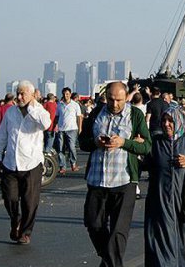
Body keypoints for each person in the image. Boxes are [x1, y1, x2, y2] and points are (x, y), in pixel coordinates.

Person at [79, 82, 152, 267]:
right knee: (93, 224)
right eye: (111, 99)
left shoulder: (135, 115)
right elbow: (83, 142)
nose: (114, 103)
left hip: (124, 180)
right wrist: (96, 142)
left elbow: (146, 145)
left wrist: (124, 143)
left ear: (126, 97)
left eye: (119, 100)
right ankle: (110, 261)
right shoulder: (97, 113)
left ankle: (111, 263)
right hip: (97, 179)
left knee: (118, 231)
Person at [144, 107, 185, 266]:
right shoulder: (156, 143)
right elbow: (144, 164)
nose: (166, 124)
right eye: (164, 120)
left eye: (171, 121)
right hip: (160, 203)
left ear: (180, 122)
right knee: (160, 246)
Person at [0, 80, 51, 244]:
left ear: (32, 95)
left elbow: (46, 124)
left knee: (29, 202)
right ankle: (15, 220)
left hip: (32, 163)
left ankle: (25, 232)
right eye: (17, 93)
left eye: (23, 93)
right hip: (10, 163)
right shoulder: (11, 112)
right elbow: (1, 136)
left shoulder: (40, 112)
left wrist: (31, 107)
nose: (19, 97)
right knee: (10, 198)